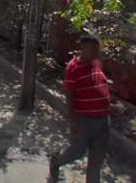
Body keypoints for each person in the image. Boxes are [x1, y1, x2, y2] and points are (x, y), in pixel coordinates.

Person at [49, 33, 110, 183]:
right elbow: (69, 96)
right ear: (82, 48)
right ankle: (56, 160)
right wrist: (73, 121)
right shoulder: (73, 68)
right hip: (83, 121)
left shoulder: (96, 64)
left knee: (96, 161)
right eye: (92, 49)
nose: (95, 53)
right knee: (75, 152)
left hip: (103, 122)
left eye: (97, 50)